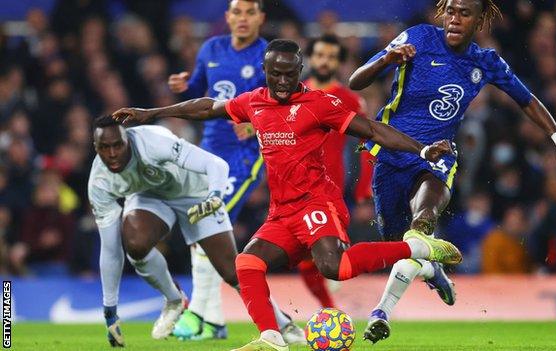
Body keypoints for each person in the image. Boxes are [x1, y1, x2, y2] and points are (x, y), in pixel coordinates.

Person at [113, 39, 462, 351]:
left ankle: (418, 248)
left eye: (289, 74)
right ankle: (272, 337)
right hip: (281, 212)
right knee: (247, 264)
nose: (282, 82)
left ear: (300, 72)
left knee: (334, 268)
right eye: (275, 74)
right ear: (265, 71)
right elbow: (208, 107)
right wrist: (151, 113)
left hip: (317, 201)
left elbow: (371, 129)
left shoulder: (318, 104)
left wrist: (422, 150)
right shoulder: (255, 102)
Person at [348, 0, 556, 343]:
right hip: (392, 155)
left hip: (437, 157)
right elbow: (356, 81)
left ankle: (380, 313)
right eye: (451, 11)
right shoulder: (418, 37)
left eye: (465, 13)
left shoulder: (485, 61)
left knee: (424, 220)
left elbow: (527, 100)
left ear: (480, 20)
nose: (455, 20)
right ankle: (433, 268)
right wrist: (387, 59)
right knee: (398, 247)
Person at [88, 115, 297, 347]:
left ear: (127, 139)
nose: (113, 153)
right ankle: (174, 300)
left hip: (195, 194)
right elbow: (110, 250)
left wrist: (214, 196)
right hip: (149, 197)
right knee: (135, 244)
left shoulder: (154, 144)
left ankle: (284, 324)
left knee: (231, 271)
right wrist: (110, 312)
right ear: (95, 147)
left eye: (118, 145)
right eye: (104, 148)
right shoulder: (99, 183)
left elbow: (216, 164)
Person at [167, 0, 297, 341]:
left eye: (249, 12)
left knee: (208, 220)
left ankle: (201, 315)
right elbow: (200, 91)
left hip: (244, 155)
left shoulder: (268, 57)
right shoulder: (212, 48)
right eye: (236, 12)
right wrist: (184, 85)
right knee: (202, 229)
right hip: (209, 150)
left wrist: (257, 124)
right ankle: (271, 322)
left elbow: (285, 100)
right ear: (227, 17)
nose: (242, 18)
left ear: (261, 18)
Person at [297, 34, 372, 308]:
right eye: (319, 55)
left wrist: (365, 189)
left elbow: (368, 143)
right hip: (293, 187)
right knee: (305, 257)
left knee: (325, 255)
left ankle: (330, 306)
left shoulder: (348, 100)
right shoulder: (295, 93)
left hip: (329, 189)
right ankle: (329, 308)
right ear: (310, 58)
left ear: (339, 62)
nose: (324, 61)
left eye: (331, 56)